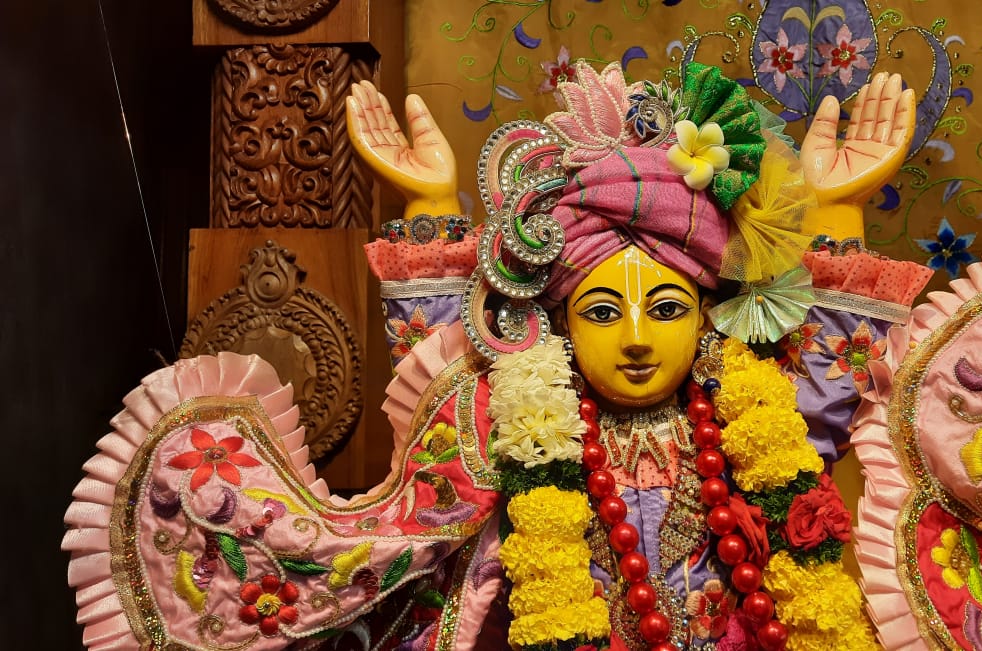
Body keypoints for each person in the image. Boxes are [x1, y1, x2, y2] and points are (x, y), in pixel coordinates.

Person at [64, 60, 928, 651]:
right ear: (557, 325)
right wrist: (430, 199)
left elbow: (830, 383)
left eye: (666, 308)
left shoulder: (750, 412)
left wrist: (837, 210)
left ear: (708, 319)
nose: (635, 336)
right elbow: (445, 351)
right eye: (601, 310)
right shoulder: (514, 412)